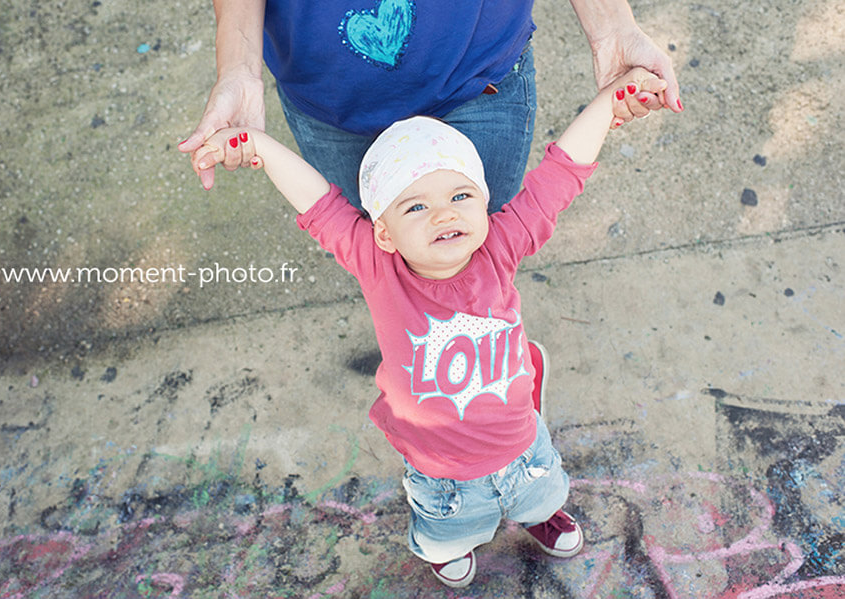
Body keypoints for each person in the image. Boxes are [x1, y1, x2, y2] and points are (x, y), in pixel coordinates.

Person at [190, 64, 666, 587]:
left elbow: (558, 175)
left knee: (546, 492)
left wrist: (606, 104)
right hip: (441, 476)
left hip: (524, 450)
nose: (443, 214)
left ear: (484, 205)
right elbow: (318, 203)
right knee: (448, 536)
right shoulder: (377, 266)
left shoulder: (499, 247)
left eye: (460, 196)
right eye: (416, 206)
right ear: (386, 233)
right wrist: (257, 144)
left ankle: (539, 515)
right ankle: (451, 545)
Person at [178, 0, 681, 209]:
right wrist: (238, 69)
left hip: (477, 76)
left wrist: (614, 27)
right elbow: (332, 223)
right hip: (332, 101)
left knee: (485, 241)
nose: (441, 218)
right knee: (389, 255)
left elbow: (558, 178)